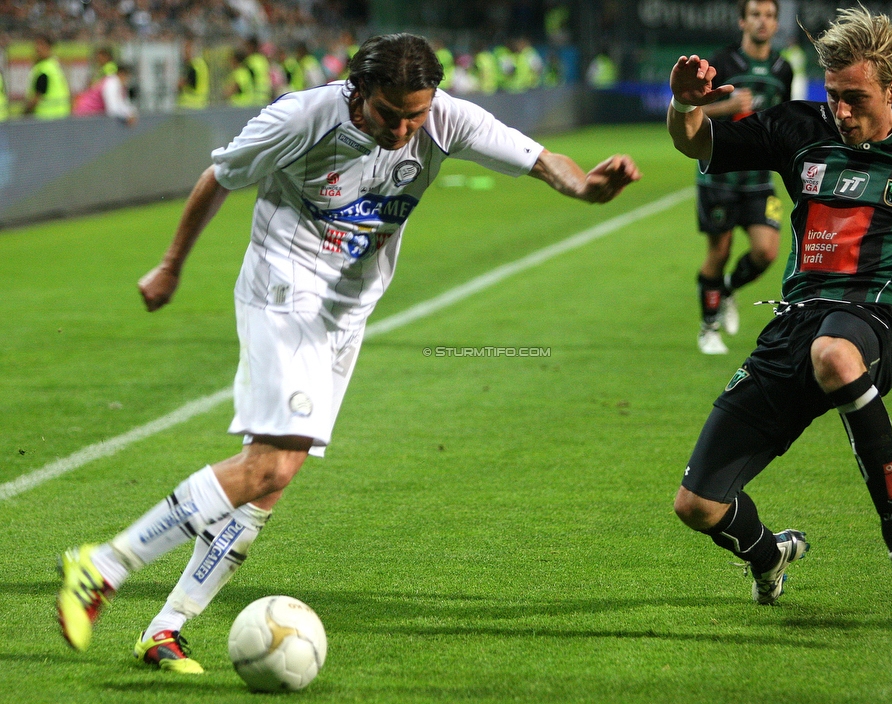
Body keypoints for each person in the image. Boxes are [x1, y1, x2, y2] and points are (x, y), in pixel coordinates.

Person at [56, 32, 640, 670]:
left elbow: (540, 159)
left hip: (345, 313)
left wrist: (585, 187)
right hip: (282, 291)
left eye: (416, 114)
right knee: (269, 466)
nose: (405, 128)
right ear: (358, 93)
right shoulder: (302, 118)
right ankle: (105, 565)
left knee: (275, 483)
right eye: (391, 114)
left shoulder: (442, 119)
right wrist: (170, 266)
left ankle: (164, 628)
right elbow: (217, 177)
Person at [668, 7, 892, 611]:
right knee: (698, 505)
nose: (841, 111)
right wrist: (684, 106)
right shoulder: (798, 128)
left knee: (834, 352)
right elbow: (698, 142)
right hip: (793, 326)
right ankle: (769, 556)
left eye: (855, 97)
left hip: (872, 322)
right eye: (833, 95)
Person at [692, 0, 793, 355]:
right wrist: (727, 108)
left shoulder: (783, 69)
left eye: (768, 16)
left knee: (766, 252)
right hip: (719, 178)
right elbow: (692, 111)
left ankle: (729, 290)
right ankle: (709, 328)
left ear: (776, 23)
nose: (762, 22)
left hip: (760, 180)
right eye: (755, 15)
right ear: (742, 21)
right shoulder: (720, 63)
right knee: (718, 252)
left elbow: (786, 118)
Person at [72, 63, 138, 125]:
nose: (128, 80)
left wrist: (130, 113)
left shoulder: (119, 85)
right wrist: (126, 117)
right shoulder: (111, 84)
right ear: (122, 74)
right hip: (85, 114)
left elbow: (121, 104)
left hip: (91, 116)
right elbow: (112, 109)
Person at [24, 35, 71, 120]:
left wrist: (25, 113)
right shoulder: (55, 65)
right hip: (62, 115)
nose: (38, 48)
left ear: (49, 47)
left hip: (46, 117)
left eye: (41, 44)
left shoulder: (43, 69)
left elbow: (37, 96)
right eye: (36, 44)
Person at [178, 40, 209, 110]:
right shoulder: (201, 64)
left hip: (190, 105)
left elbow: (183, 83)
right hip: (200, 103)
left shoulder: (194, 66)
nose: (184, 55)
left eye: (186, 52)